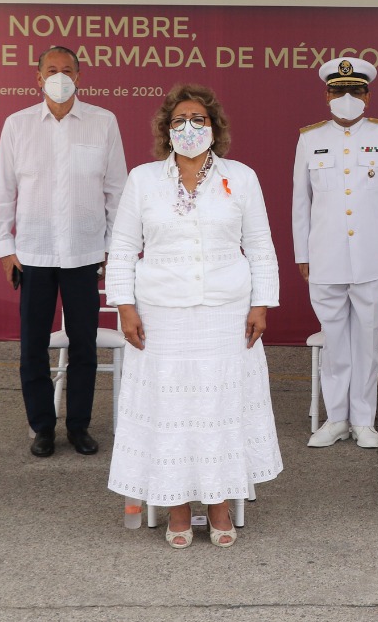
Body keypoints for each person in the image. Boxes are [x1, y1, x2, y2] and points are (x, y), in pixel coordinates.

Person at [106, 84, 282, 549]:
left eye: (198, 119)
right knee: (173, 410)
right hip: (160, 316)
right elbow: (123, 247)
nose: (189, 127)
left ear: (214, 127)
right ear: (166, 128)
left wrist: (261, 303)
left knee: (219, 409)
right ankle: (177, 506)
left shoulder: (241, 177)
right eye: (180, 119)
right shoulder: (143, 179)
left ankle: (220, 503)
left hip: (225, 314)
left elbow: (261, 246)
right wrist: (124, 305)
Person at [0, 45, 126, 458]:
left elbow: (117, 191)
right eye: (52, 70)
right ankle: (42, 427)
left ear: (80, 77)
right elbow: (2, 192)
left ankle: (79, 426)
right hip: (33, 253)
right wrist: (5, 247)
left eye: (67, 70)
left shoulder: (103, 122)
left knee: (84, 343)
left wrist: (111, 247)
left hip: (86, 254)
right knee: (33, 345)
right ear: (38, 77)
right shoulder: (18, 125)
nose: (60, 76)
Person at [293, 57, 378, 449]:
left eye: (355, 91)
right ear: (327, 95)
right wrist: (301, 253)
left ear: (367, 95)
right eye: (339, 91)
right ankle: (336, 418)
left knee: (366, 338)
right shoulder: (310, 138)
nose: (347, 97)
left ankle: (363, 418)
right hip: (324, 256)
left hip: (372, 255)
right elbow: (300, 201)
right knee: (334, 341)